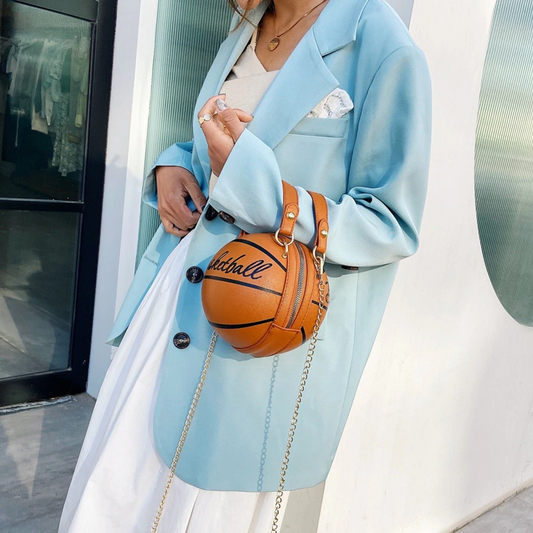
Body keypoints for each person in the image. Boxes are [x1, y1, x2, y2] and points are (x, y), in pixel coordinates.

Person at [59, 0, 432, 531]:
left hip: (254, 327)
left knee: (204, 505)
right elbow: (217, 149)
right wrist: (173, 164)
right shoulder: (246, 27)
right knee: (118, 490)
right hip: (176, 304)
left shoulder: (382, 45)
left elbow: (391, 221)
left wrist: (255, 185)